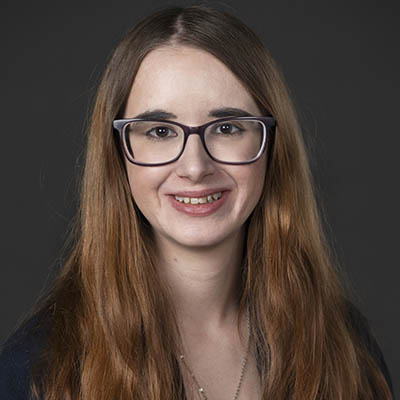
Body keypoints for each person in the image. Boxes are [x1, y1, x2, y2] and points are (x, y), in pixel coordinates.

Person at [0, 4, 394, 400]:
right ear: (116, 154)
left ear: (272, 146)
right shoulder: (36, 372)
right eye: (158, 131)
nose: (194, 166)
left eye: (226, 127)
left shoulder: (346, 349)